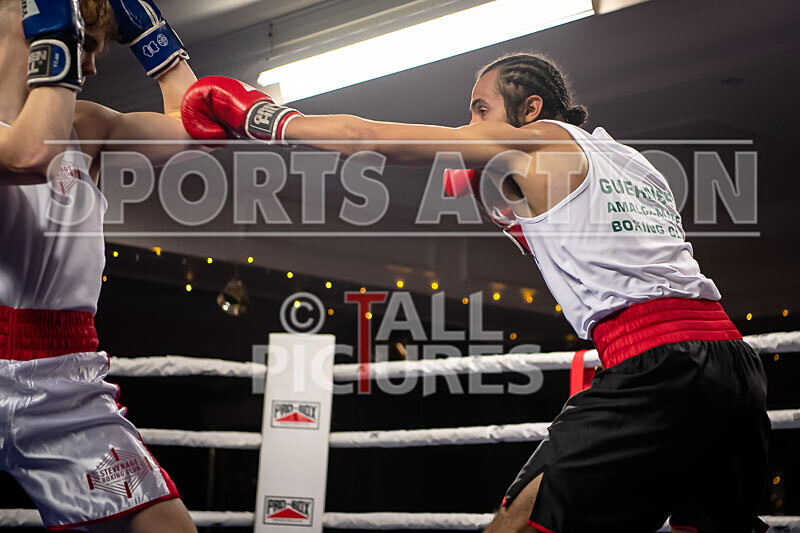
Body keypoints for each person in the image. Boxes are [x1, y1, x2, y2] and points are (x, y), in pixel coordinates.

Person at [181, 52, 770, 533]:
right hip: (735, 368)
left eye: (480, 109)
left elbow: (370, 137)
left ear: (530, 108)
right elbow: (611, 251)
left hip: (654, 367)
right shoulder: (634, 163)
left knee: (517, 525)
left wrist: (262, 118)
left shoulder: (535, 142)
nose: (470, 123)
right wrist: (512, 215)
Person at [0, 0, 198, 530]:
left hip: (66, 383)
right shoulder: (32, 139)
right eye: (85, 46)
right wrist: (60, 30)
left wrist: (161, 50)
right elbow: (26, 154)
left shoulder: (86, 127)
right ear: (33, 29)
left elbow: (195, 133)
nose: (89, 67)